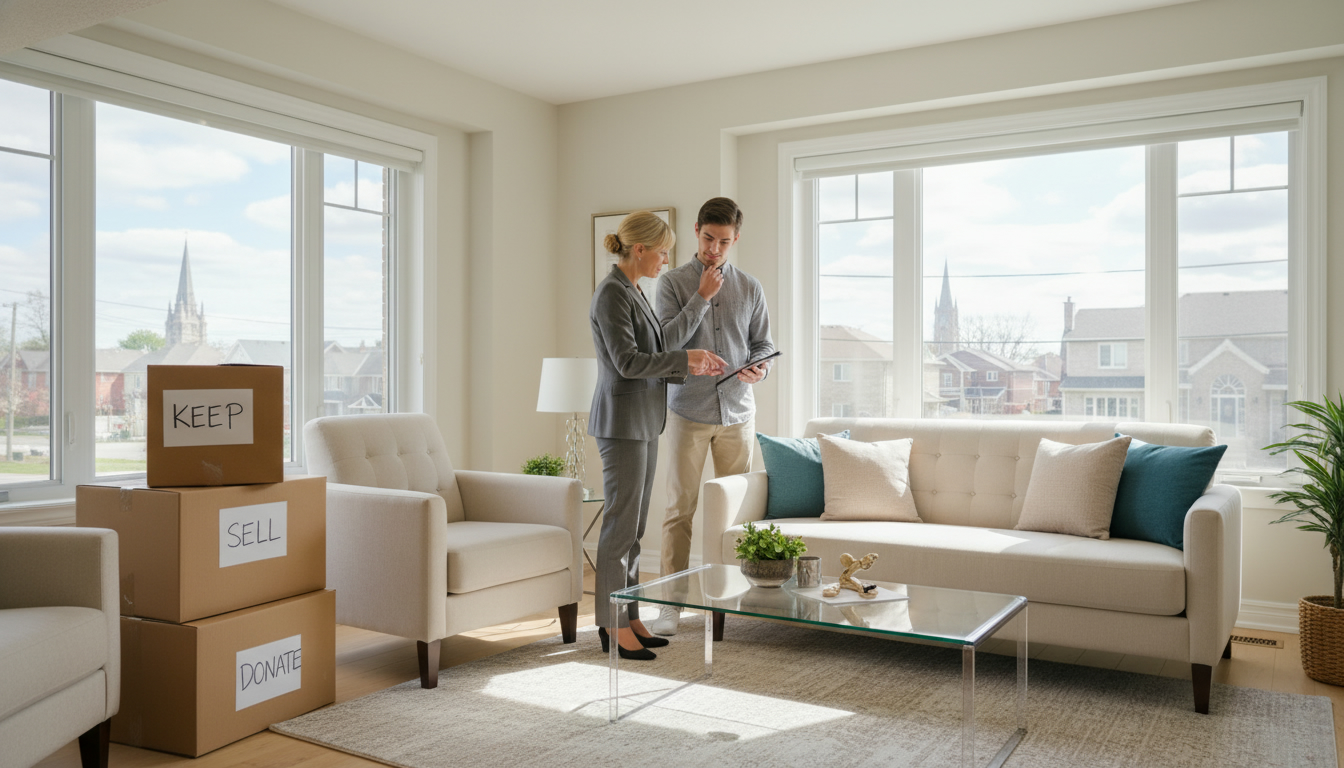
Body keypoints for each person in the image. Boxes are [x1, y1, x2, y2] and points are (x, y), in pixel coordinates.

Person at [588, 210, 727, 660]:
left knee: (635, 528)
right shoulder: (611, 293)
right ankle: (612, 626)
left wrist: (691, 353)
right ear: (640, 248)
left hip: (645, 421)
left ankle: (628, 616)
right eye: (662, 251)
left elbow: (662, 344)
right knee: (620, 529)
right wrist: (685, 361)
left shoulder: (634, 291)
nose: (666, 260)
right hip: (623, 425)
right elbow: (627, 362)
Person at [651, 197, 775, 637]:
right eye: (708, 238)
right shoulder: (671, 284)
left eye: (724, 241)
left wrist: (761, 367)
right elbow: (666, 344)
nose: (715, 249)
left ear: (735, 238)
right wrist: (702, 298)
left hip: (738, 414)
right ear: (697, 231)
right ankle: (670, 605)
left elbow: (762, 344)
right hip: (689, 411)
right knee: (678, 510)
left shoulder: (750, 287)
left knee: (735, 517)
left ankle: (726, 601)